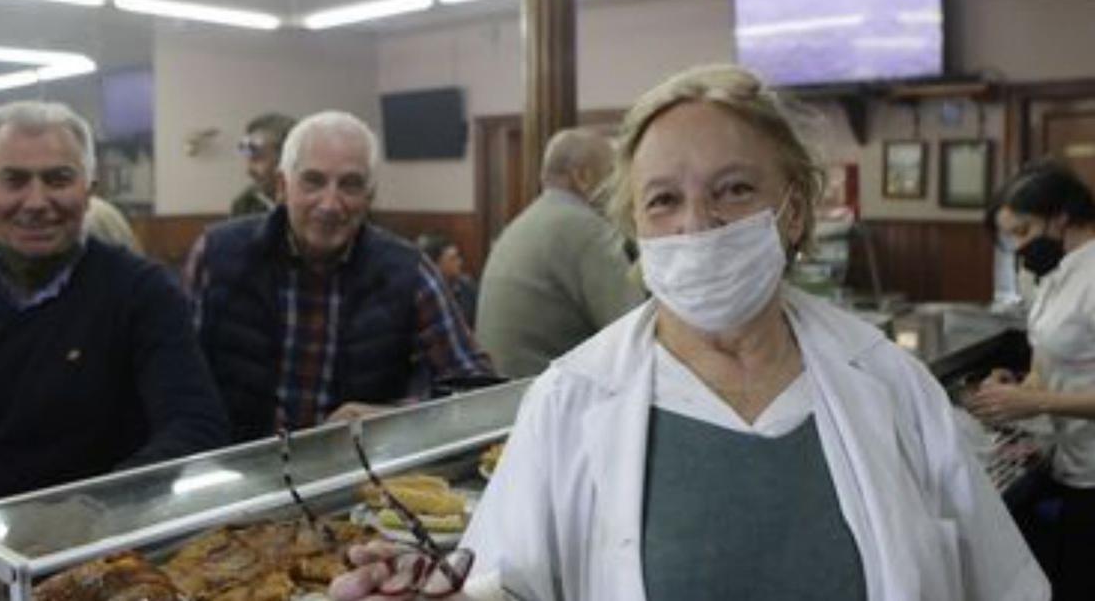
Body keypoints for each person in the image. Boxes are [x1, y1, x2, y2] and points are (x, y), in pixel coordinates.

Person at [330, 66, 1048, 600]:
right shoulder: (571, 401)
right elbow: (502, 583)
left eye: (734, 189)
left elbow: (1002, 586)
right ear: (633, 228)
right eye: (664, 199)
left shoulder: (890, 386)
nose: (696, 225)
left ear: (794, 210)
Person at [0, 101, 229, 504]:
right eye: (14, 180)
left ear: (89, 191)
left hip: (101, 551)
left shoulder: (144, 293)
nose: (36, 201)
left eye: (58, 179)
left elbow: (196, 427)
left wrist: (88, 514)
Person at [189, 110, 496, 441]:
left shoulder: (411, 273)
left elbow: (481, 394)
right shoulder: (216, 256)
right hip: (237, 478)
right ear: (282, 186)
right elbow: (176, 381)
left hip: (357, 482)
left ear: (370, 196)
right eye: (314, 181)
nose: (330, 203)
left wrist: (392, 418)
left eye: (350, 185)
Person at [966, 160, 1095, 600]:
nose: (1019, 247)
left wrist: (1037, 403)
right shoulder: (1056, 275)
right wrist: (1019, 386)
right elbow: (1049, 364)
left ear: (1060, 217)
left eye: (1023, 231)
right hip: (1073, 464)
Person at [475, 128, 642, 378]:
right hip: (549, 399)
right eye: (612, 175)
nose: (619, 189)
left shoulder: (522, 223)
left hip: (499, 395)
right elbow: (635, 333)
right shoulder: (586, 229)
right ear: (583, 176)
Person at [230, 113, 296, 216]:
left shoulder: (316, 201)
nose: (248, 170)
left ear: (286, 158)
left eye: (257, 158)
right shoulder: (245, 203)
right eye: (248, 159)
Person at [417, 232, 477, 328]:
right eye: (453, 259)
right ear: (435, 264)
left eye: (458, 257)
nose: (460, 262)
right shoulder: (422, 293)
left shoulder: (468, 288)